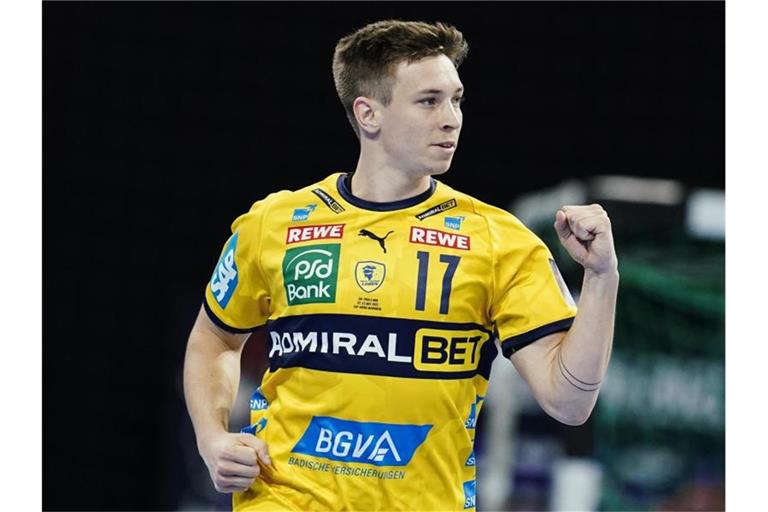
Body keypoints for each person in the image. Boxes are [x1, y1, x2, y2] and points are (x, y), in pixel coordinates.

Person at [183, 19, 618, 511]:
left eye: (456, 100)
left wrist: (602, 277)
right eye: (429, 101)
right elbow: (214, 338)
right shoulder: (274, 222)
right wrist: (212, 438)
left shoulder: (500, 240)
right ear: (368, 113)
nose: (451, 119)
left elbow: (570, 402)